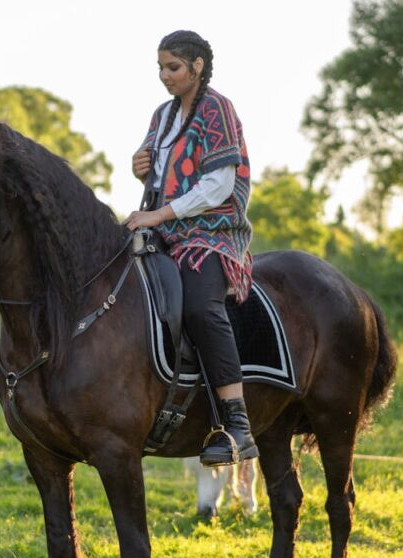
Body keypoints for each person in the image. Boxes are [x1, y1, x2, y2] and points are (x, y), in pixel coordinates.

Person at [124, 29, 257, 467]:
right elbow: (161, 173)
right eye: (161, 68)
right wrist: (139, 167)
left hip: (210, 233)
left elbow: (218, 184)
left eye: (173, 67)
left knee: (200, 307)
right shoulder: (162, 115)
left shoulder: (217, 108)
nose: (165, 76)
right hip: (164, 230)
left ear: (197, 66)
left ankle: (237, 423)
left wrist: (159, 215)